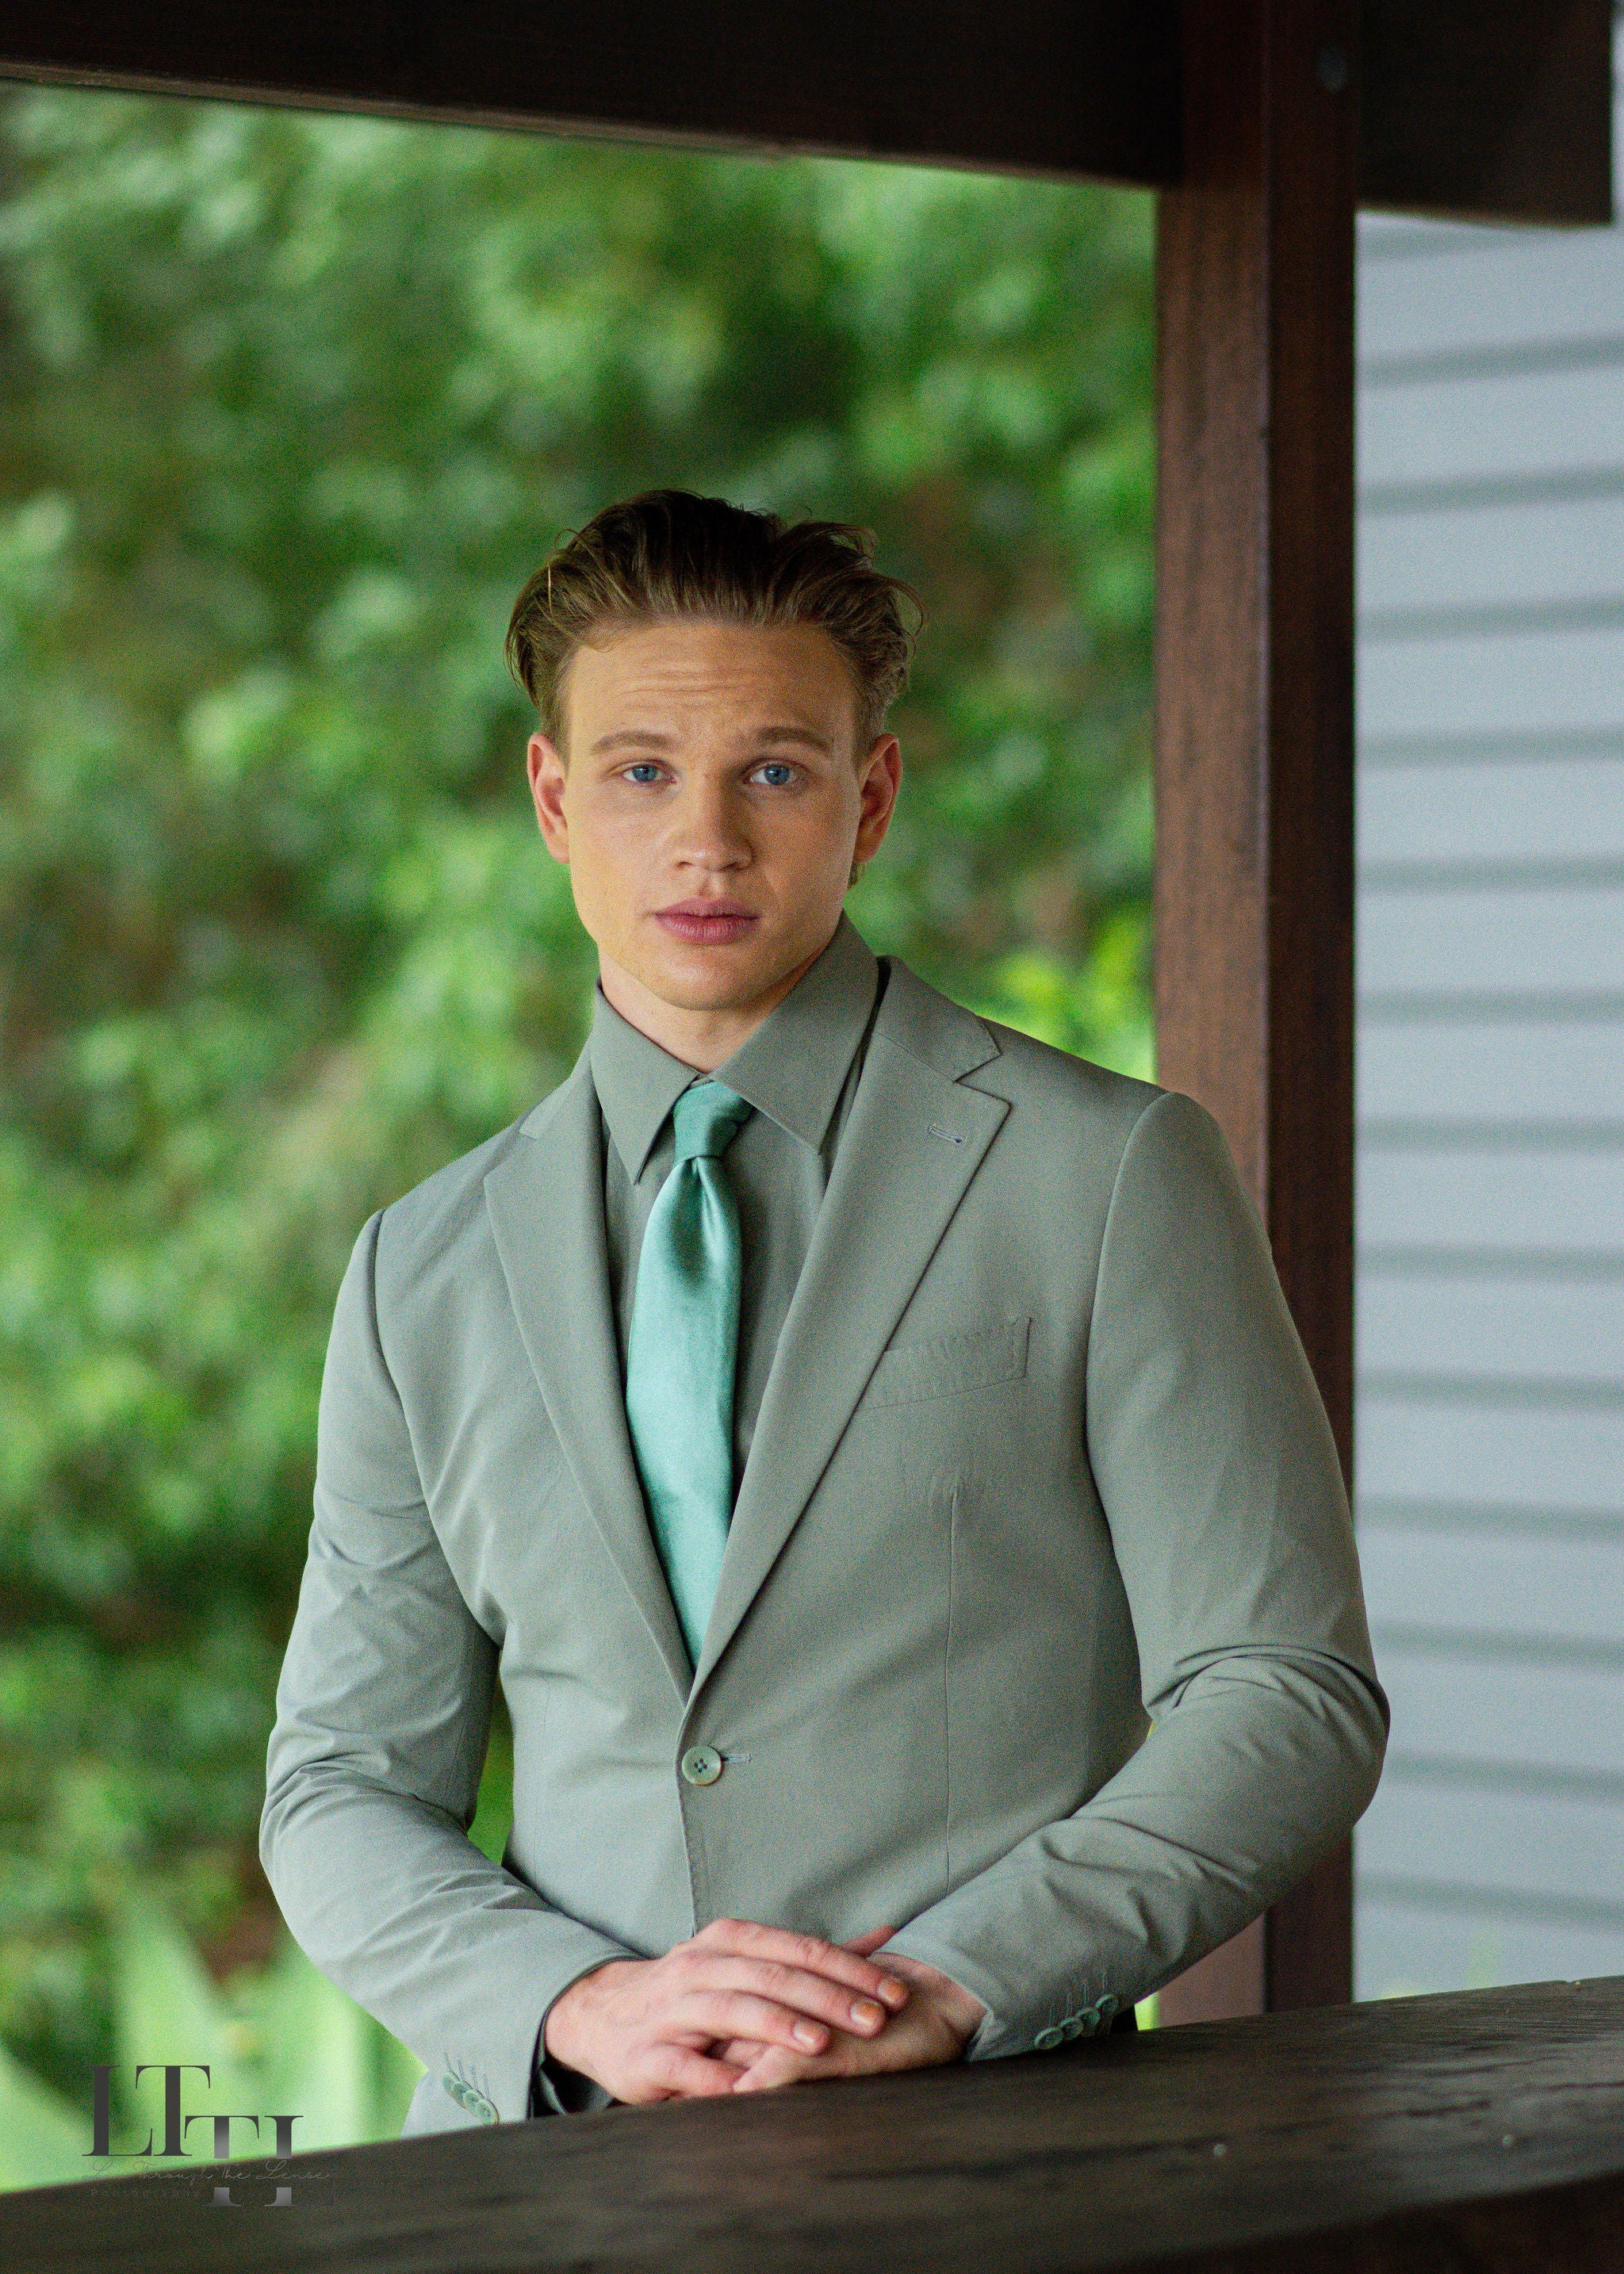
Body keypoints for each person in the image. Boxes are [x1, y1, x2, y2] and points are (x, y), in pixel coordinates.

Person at [260, 490, 1388, 2135]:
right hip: (543, 2178)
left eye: (775, 772)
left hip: (991, 2162)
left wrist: (951, 1986)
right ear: (554, 798)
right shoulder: (417, 1268)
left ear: (871, 798)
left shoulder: (1109, 1174)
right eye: (642, 773)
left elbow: (1285, 1690)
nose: (707, 842)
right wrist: (576, 2006)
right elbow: (340, 1784)